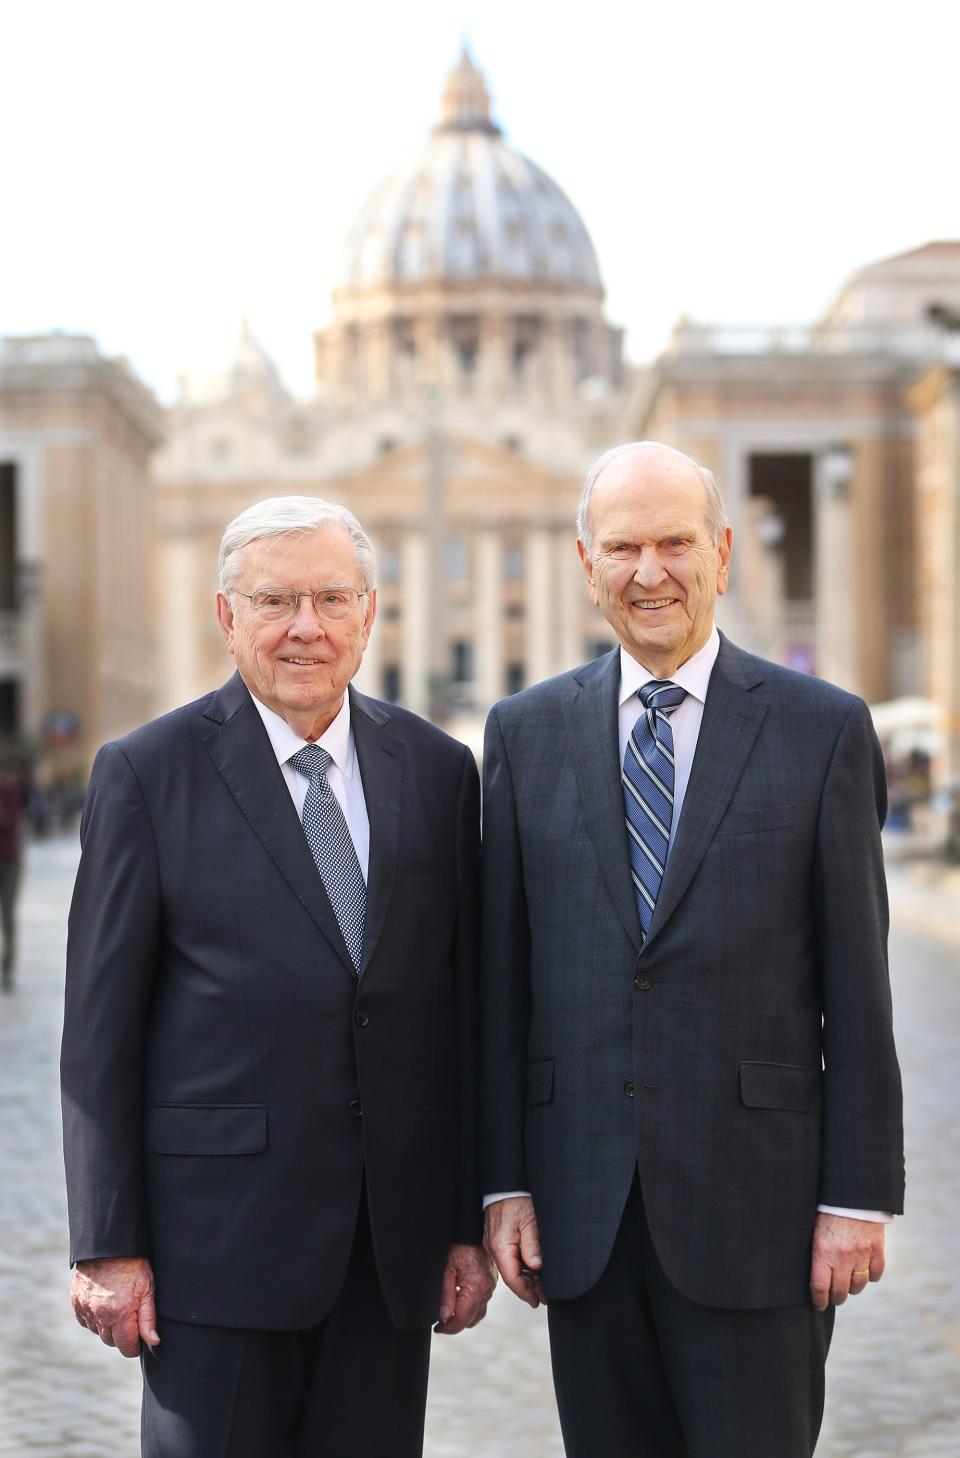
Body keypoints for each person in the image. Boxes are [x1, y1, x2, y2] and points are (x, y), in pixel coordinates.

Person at [480, 443, 903, 1458]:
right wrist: (502, 1184)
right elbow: (501, 984)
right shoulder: (522, 733)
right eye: (622, 547)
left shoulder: (824, 730)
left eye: (674, 543)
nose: (649, 570)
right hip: (583, 1216)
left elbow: (860, 985)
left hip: (762, 1209)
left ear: (721, 554)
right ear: (587, 566)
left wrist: (856, 1198)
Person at [61, 496, 495, 1458]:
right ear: (228, 617)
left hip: (388, 1253)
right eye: (276, 600)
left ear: (370, 613)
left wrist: (465, 1221)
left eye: (332, 598)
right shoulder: (146, 772)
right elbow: (100, 1036)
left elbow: (461, 1018)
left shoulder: (437, 770)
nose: (307, 627)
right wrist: (107, 1242)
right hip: (210, 1254)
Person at [0, 765, 26, 992]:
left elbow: (9, 820)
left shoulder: (8, 788)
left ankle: (7, 970)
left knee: (8, 917)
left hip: (9, 862)